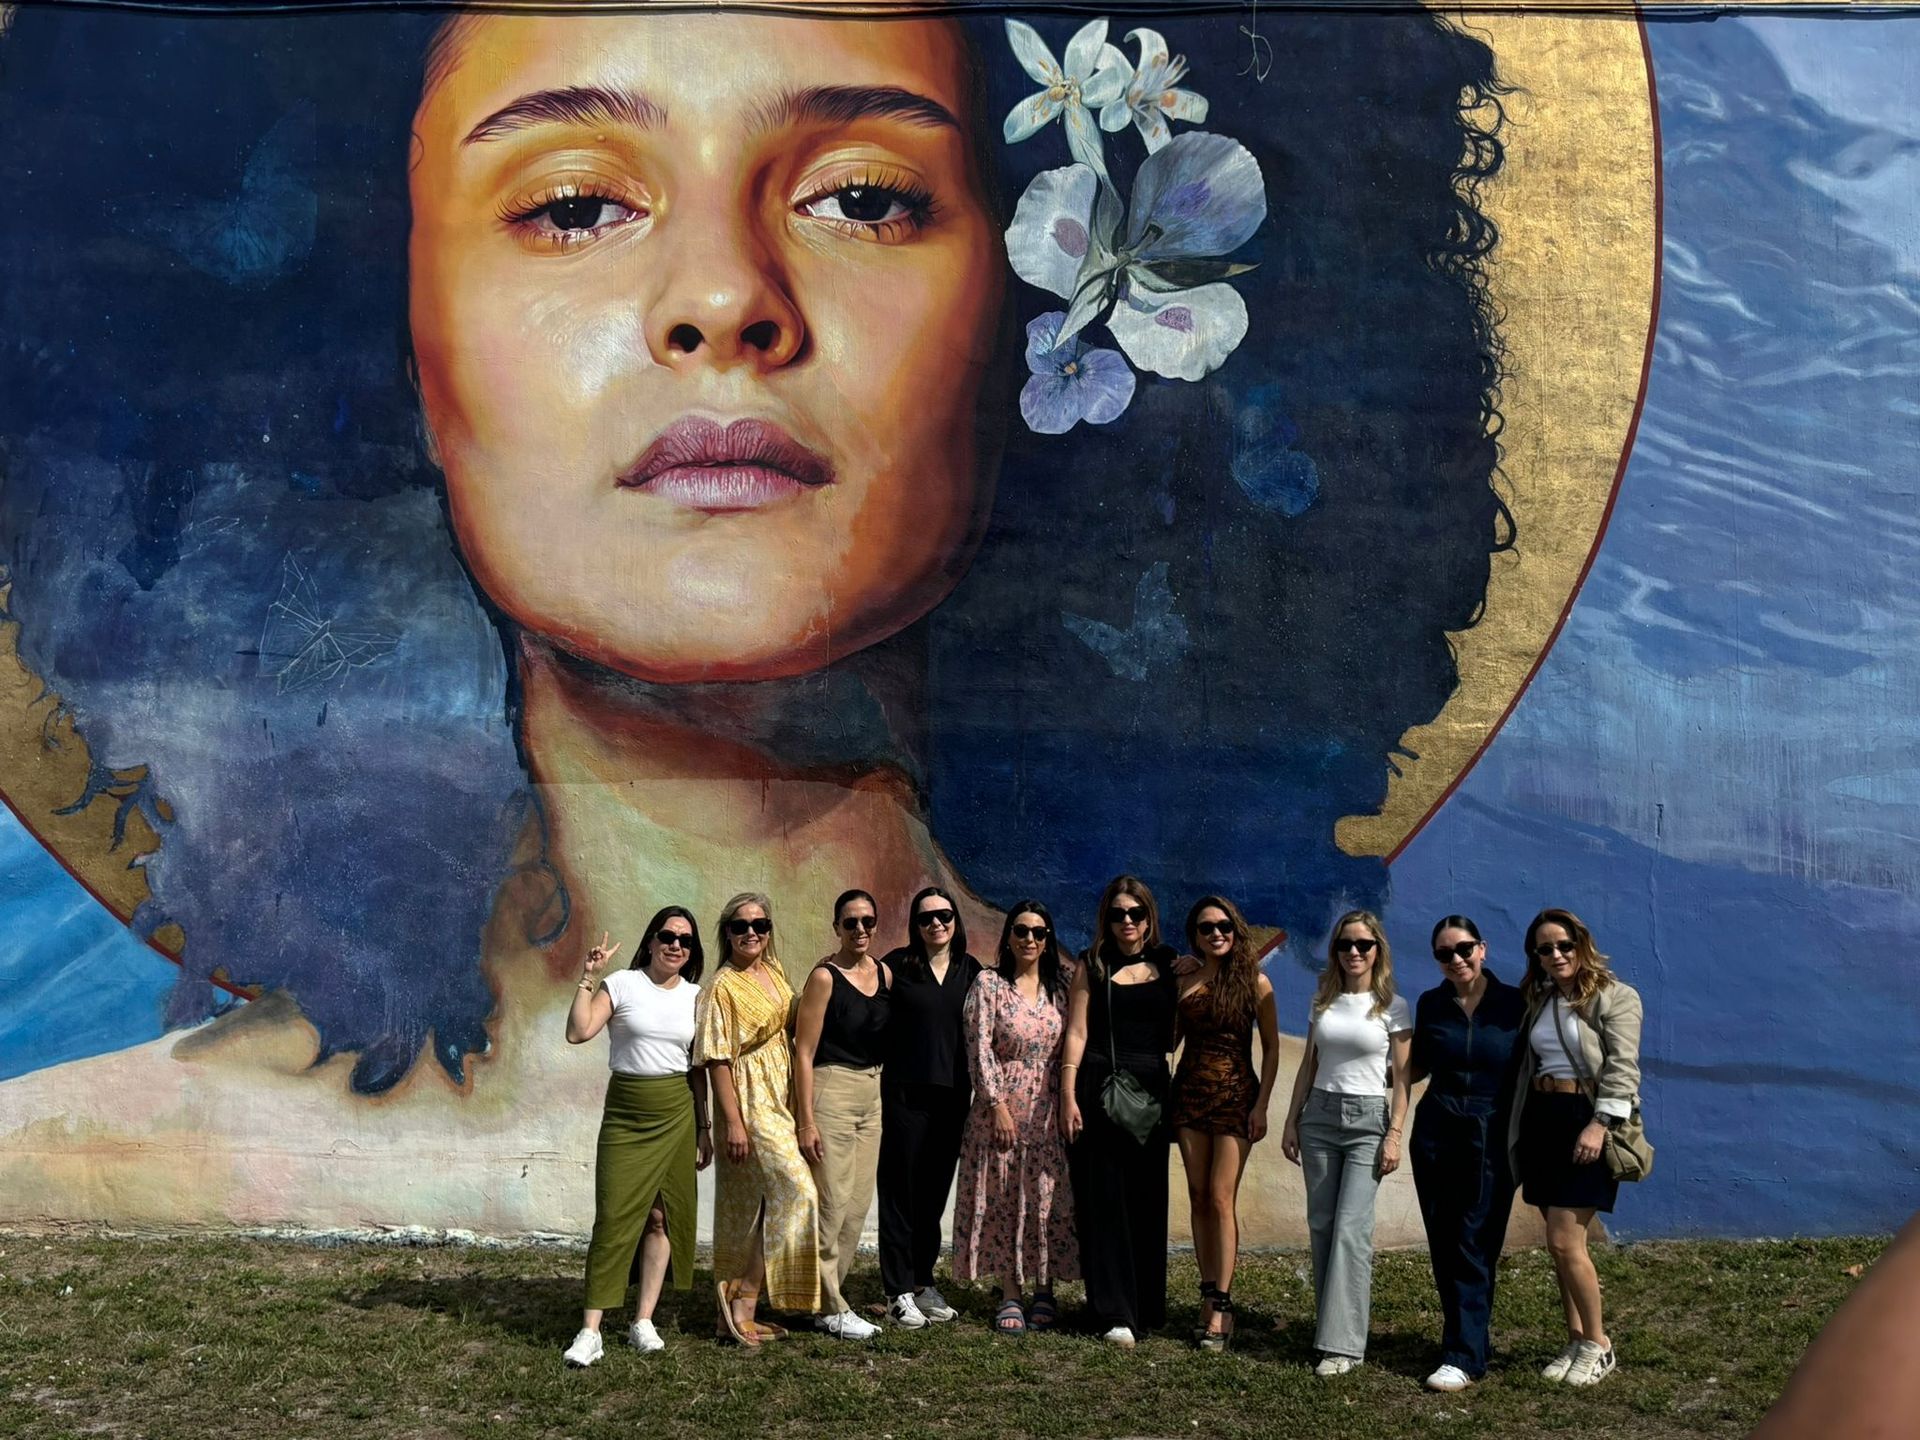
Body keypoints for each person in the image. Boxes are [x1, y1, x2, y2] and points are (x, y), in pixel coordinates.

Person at [559, 910, 713, 1366]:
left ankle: (643, 1320)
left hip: (677, 1112)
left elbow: (698, 1068)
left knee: (662, 1219)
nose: (676, 946)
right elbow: (577, 1031)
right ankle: (590, 1331)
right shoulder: (622, 984)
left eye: (686, 940)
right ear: (651, 941)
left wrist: (704, 1127)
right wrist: (589, 977)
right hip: (626, 1113)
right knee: (612, 1218)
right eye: (668, 936)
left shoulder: (696, 996)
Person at [1509, 906, 1644, 1388]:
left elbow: (1623, 1068)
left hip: (1584, 1120)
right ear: (1536, 956)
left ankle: (1600, 1344)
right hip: (1543, 1121)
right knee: (1558, 1244)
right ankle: (1575, 1337)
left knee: (1567, 1241)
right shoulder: (1539, 998)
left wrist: (1599, 1123)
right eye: (1545, 948)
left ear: (1581, 944)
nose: (1556, 954)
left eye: (1564, 945)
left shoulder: (1615, 997)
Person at [1280, 909, 1412, 1375]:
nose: (1354, 952)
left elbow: (1402, 1080)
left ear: (1378, 950)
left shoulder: (1393, 1006)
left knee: (1352, 1230)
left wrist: (1394, 1134)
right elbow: (1309, 1066)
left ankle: (1345, 1346)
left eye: (1363, 945)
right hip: (1319, 1116)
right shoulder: (1324, 1001)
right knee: (1322, 1224)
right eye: (1344, 945)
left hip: (1366, 1122)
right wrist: (1291, 1121)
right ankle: (1328, 1330)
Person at [693, 892, 821, 1345]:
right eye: (741, 926)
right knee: (798, 1190)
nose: (752, 933)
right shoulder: (721, 987)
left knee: (766, 1202)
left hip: (780, 1091)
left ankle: (740, 1305)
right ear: (726, 932)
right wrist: (731, 1121)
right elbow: (716, 1059)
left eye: (761, 925)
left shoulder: (775, 971)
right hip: (749, 1098)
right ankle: (742, 1295)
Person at [1406, 914, 1527, 1391]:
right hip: (1436, 1128)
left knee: (1476, 1239)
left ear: (1483, 949)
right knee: (1444, 1236)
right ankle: (1467, 1340)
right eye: (1444, 954)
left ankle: (1463, 1355)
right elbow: (1413, 1067)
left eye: (1463, 949)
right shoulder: (1431, 1004)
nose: (1455, 959)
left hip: (1491, 1132)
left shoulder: (1515, 1003)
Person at [1059, 875, 1179, 1349]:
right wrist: (1067, 1095)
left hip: (1151, 1089)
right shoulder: (1093, 964)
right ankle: (1114, 1311)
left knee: (1147, 1200)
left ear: (1150, 919)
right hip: (1101, 1085)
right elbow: (1076, 1032)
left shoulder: (1170, 964)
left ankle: (1146, 1306)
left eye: (1136, 913)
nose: (1127, 922)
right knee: (1104, 1203)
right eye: (1117, 914)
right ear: (1105, 919)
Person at [953, 901, 1078, 1335]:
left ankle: (1044, 1286)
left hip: (1048, 1111)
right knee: (1006, 1199)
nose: (1030, 939)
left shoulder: (1061, 985)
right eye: (1021, 930)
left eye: (1039, 932)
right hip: (1000, 1113)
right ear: (1008, 936)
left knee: (1046, 1199)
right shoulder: (989, 985)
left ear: (1048, 940)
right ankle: (1011, 1290)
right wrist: (996, 1103)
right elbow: (978, 1046)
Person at [1170, 894, 1279, 1352]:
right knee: (1197, 1196)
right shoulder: (1186, 979)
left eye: (1223, 927)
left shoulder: (1255, 982)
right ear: (1195, 934)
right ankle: (1206, 1291)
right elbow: (1171, 1039)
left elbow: (1272, 1048)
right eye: (1206, 928)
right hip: (1190, 1094)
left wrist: (1262, 1106)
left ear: (1236, 932)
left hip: (1236, 1098)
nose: (1216, 934)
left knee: (1220, 1197)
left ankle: (1224, 1303)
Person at [876, 885, 982, 1327]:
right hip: (904, 1094)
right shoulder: (896, 966)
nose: (936, 924)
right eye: (926, 918)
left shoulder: (971, 970)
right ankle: (897, 1288)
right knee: (899, 1190)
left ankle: (922, 1280)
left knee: (934, 1192)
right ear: (914, 926)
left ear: (956, 920)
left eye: (944, 916)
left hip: (953, 1096)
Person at [793, 889, 891, 1341]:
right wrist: (805, 1120)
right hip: (831, 1090)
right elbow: (804, 1051)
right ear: (836, 927)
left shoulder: (885, 973)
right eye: (850, 922)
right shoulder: (825, 977)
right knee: (831, 1203)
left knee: (855, 1206)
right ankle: (830, 1305)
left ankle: (824, 1299)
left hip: (873, 1094)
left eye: (867, 921)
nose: (860, 930)